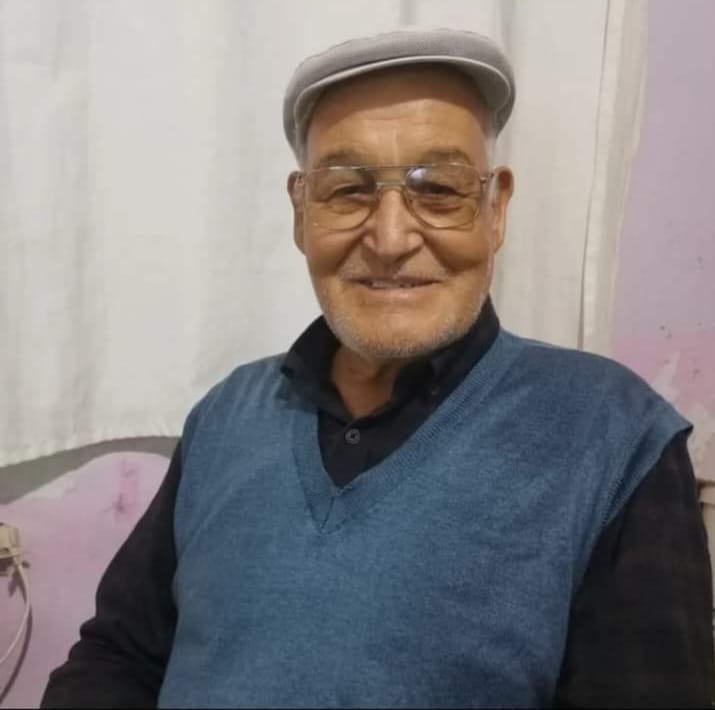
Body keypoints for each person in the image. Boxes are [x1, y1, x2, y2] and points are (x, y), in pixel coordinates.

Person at [41, 28, 713, 708]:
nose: (390, 239)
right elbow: (118, 656)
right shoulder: (227, 414)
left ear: (495, 210)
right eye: (347, 190)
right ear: (301, 212)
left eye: (438, 188)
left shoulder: (613, 438)